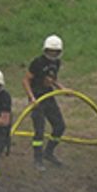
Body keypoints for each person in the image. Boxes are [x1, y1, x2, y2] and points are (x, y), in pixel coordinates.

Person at [24, 34, 67, 169]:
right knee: (39, 130)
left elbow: (51, 79)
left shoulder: (56, 63)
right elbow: (26, 80)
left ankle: (48, 153)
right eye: (50, 51)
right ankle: (37, 159)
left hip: (48, 96)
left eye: (55, 52)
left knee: (59, 126)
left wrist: (61, 88)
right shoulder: (37, 63)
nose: (53, 54)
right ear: (45, 50)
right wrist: (31, 98)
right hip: (37, 98)